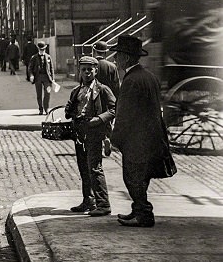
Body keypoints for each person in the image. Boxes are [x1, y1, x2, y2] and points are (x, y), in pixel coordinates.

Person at [110, 33, 176, 228]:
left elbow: (125, 114)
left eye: (118, 55)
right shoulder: (149, 76)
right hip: (152, 136)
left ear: (127, 57)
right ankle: (138, 209)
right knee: (142, 176)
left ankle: (144, 213)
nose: (115, 59)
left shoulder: (131, 81)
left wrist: (115, 139)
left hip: (136, 139)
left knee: (132, 176)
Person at [64, 56, 116, 216]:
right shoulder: (76, 91)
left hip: (95, 132)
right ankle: (88, 200)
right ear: (79, 71)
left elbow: (114, 109)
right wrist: (69, 110)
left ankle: (103, 204)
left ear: (96, 71)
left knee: (95, 167)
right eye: (83, 69)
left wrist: (98, 120)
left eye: (90, 69)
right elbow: (70, 112)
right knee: (83, 168)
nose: (87, 72)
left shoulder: (103, 90)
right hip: (80, 133)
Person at [29, 40, 56, 115]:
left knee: (48, 93)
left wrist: (53, 79)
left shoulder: (48, 57)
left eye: (43, 49)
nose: (42, 51)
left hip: (47, 77)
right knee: (39, 94)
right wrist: (31, 75)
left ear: (45, 49)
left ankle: (46, 108)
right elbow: (30, 68)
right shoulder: (34, 57)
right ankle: (40, 109)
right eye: (41, 49)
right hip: (38, 77)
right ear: (38, 49)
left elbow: (51, 68)